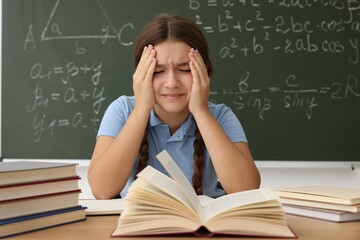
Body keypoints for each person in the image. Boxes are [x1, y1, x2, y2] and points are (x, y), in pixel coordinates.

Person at [88, 13, 260, 199]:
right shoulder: (122, 110)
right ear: (141, 74)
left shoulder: (220, 116)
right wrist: (141, 110)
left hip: (203, 224)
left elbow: (247, 191)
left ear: (204, 71)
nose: (171, 82)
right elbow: (101, 190)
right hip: (137, 224)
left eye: (185, 70)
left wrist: (201, 112)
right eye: (158, 71)